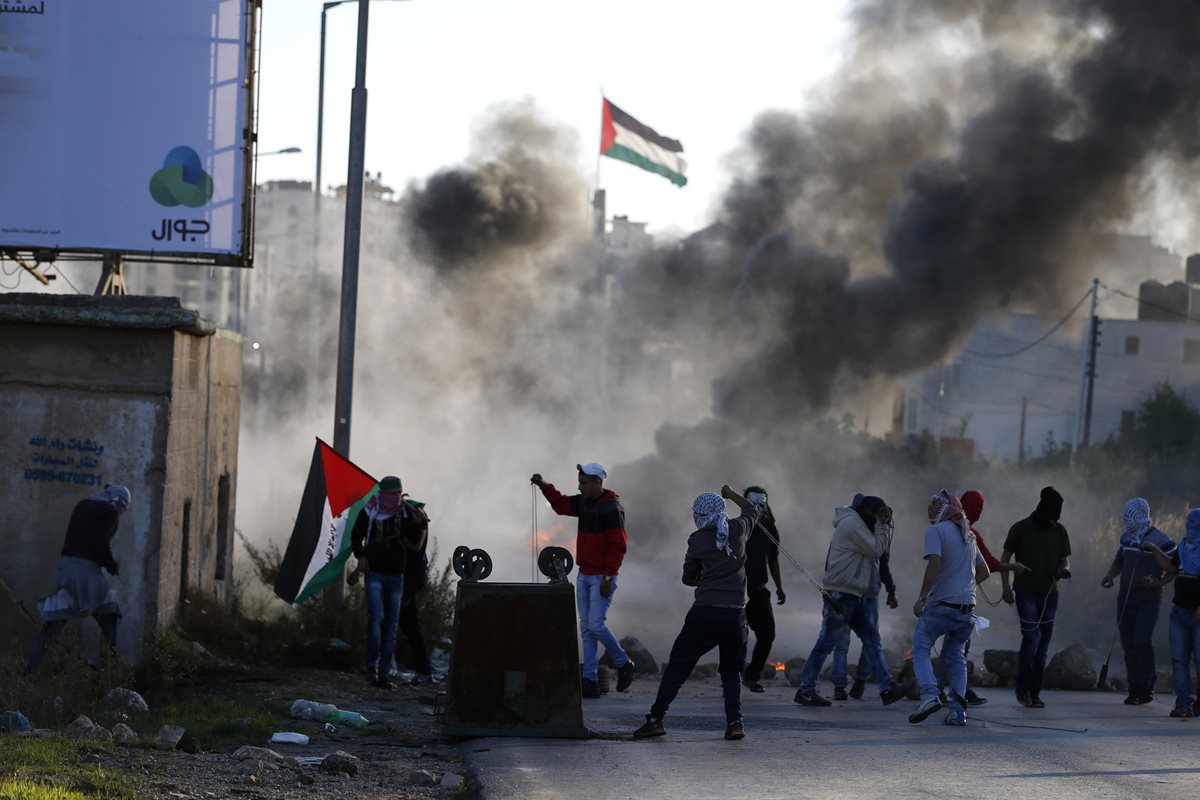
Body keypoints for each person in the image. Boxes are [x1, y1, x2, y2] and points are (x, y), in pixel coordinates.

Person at [634, 486, 761, 740]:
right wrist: (731, 493)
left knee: (678, 667)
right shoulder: (738, 530)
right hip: (736, 615)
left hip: (705, 614)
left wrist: (701, 578)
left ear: (699, 515)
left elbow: (687, 578)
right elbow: (753, 509)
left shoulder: (697, 539)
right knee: (731, 672)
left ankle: (657, 718)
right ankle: (735, 723)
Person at [532, 463, 634, 699]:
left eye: (584, 483)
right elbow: (560, 505)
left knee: (596, 625)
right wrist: (544, 485)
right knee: (587, 630)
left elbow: (618, 546)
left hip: (602, 577)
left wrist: (609, 575)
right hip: (585, 574)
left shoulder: (611, 508)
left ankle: (623, 662)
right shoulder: (584, 503)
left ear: (598, 482)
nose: (580, 487)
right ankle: (589, 680)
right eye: (579, 482)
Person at [794, 496, 903, 708]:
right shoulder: (852, 525)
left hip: (853, 594)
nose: (879, 520)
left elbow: (880, 554)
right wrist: (882, 524)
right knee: (826, 644)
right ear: (868, 513)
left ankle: (887, 689)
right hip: (842, 595)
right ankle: (805, 690)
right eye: (877, 515)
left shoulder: (858, 524)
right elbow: (876, 550)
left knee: (871, 639)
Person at [27, 484, 132, 673]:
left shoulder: (84, 504)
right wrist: (111, 565)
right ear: (119, 502)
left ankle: (28, 671)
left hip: (67, 568)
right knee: (110, 613)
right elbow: (100, 542)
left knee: (53, 625)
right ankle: (109, 672)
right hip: (85, 573)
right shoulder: (110, 511)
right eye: (122, 508)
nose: (120, 512)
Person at [909, 490, 989, 727]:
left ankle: (929, 695)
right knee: (955, 655)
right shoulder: (969, 534)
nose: (930, 510)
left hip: (941, 605)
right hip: (967, 609)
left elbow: (934, 563)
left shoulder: (935, 531)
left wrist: (922, 597)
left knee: (921, 644)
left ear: (945, 508)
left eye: (935, 506)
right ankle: (957, 712)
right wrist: (963, 585)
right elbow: (984, 571)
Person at [351, 476, 427, 690]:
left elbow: (415, 541)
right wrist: (361, 556)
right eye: (392, 494)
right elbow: (356, 536)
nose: (396, 498)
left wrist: (419, 521)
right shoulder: (369, 511)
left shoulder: (405, 513)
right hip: (375, 573)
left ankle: (383, 675)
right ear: (383, 494)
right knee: (377, 618)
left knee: (391, 626)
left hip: (396, 576)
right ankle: (372, 666)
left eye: (399, 493)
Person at [998, 486, 1070, 708]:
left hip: (1050, 594)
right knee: (1032, 638)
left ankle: (1035, 692)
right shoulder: (1020, 529)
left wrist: (1064, 570)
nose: (1052, 521)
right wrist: (1006, 588)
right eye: (1050, 516)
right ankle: (1022, 688)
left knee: (1043, 643)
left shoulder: (1060, 531)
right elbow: (1005, 558)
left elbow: (1064, 560)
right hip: (1025, 591)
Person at [1101, 497, 1176, 705]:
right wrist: (1110, 576)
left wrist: (1158, 582)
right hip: (1125, 598)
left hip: (1148, 599)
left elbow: (1172, 567)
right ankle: (1134, 688)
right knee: (1127, 643)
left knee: (1141, 640)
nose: (1128, 520)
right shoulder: (1127, 537)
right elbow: (1120, 559)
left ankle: (1147, 685)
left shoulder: (1161, 539)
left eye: (1130, 516)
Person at [833, 494, 898, 702]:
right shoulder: (853, 529)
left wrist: (891, 591)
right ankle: (839, 687)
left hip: (869, 593)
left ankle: (861, 680)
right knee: (842, 641)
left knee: (870, 641)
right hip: (848, 591)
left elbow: (884, 563)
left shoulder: (879, 533)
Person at [1140, 508, 1200, 718]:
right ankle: (1183, 703)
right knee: (1179, 660)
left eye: (1193, 523)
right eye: (1188, 521)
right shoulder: (1183, 546)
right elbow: (1172, 569)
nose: (1189, 526)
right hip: (1179, 612)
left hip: (1198, 615)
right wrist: (1156, 552)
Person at [740, 485, 786, 694]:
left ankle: (751, 675)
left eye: (761, 504)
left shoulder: (770, 530)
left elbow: (773, 559)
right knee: (735, 636)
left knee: (767, 635)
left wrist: (779, 588)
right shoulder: (738, 527)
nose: (758, 508)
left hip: (758, 590)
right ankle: (731, 676)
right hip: (737, 590)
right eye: (754, 504)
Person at [396, 497, 433, 686]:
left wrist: (401, 541)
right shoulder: (415, 524)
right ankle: (422, 669)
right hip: (408, 579)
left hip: (410, 581)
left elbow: (416, 546)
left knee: (410, 626)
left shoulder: (420, 525)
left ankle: (424, 670)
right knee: (406, 625)